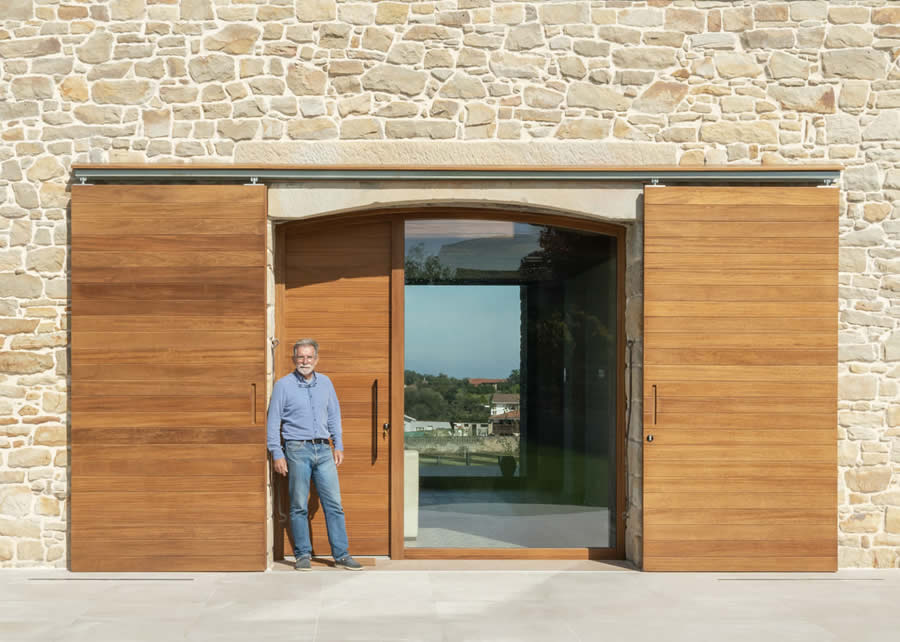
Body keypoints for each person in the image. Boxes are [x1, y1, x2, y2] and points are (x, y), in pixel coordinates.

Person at [267, 338, 363, 571]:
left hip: (324, 449)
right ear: (294, 359)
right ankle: (302, 555)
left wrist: (338, 445)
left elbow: (334, 416)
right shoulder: (283, 385)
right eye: (300, 356)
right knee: (298, 504)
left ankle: (341, 555)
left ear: (316, 359)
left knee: (334, 504)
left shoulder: (326, 383)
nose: (305, 361)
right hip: (296, 450)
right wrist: (277, 453)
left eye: (309, 357)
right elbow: (273, 422)